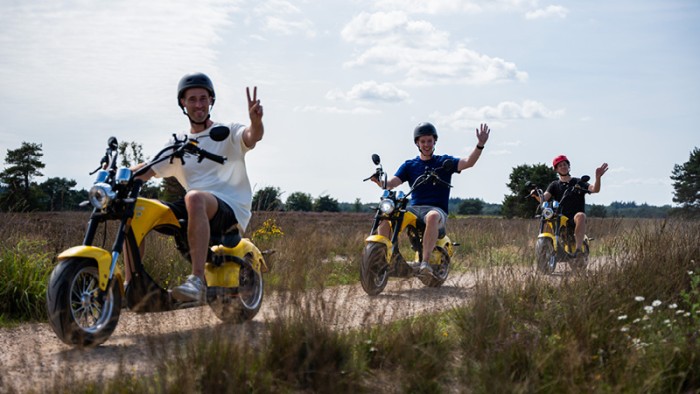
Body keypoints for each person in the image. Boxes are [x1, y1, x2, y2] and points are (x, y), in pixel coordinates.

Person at [128, 72, 264, 303]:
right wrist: (118, 176)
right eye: (192, 99)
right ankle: (133, 285)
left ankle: (197, 280)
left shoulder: (227, 132)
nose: (198, 104)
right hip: (196, 206)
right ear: (183, 103)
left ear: (211, 100)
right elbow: (149, 168)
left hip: (230, 207)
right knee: (135, 208)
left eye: (203, 98)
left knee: (194, 197)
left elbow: (252, 137)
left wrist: (256, 121)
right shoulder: (178, 142)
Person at [371, 122, 490, 277]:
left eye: (429, 141)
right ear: (417, 143)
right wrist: (379, 182)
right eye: (423, 141)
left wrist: (480, 144)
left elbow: (469, 162)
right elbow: (392, 183)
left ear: (434, 141)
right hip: (414, 209)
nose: (426, 144)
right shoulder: (410, 165)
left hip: (436, 209)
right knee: (386, 216)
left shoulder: (443, 162)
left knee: (432, 216)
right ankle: (385, 258)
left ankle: (425, 263)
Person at [541, 155, 608, 256]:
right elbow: (543, 198)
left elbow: (595, 189)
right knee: (546, 218)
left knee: (581, 215)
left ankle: (578, 250)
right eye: (560, 166)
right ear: (556, 169)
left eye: (565, 164)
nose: (563, 167)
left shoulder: (578, 182)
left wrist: (598, 178)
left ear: (568, 166)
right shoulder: (554, 185)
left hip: (574, 218)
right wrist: (535, 194)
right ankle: (547, 248)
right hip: (560, 217)